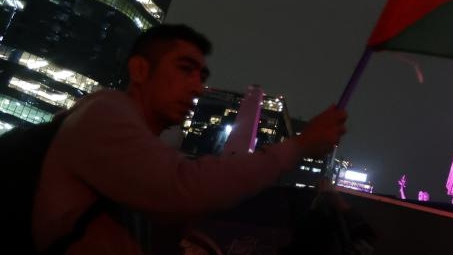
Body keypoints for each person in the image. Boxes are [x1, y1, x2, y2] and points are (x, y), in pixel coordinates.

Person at [31, 23, 348, 254]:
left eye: (201, 76)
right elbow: (181, 186)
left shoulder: (143, 145)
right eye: (185, 69)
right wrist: (297, 146)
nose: (197, 87)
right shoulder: (103, 113)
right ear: (140, 70)